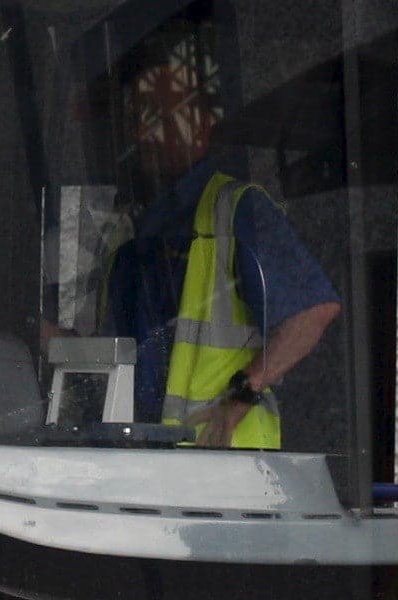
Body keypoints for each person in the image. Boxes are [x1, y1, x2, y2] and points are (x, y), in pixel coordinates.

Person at [97, 30, 341, 447]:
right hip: (145, 467)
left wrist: (243, 392)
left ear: (204, 128)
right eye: (139, 115)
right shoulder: (131, 234)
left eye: (164, 113)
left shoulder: (239, 211)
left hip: (228, 476)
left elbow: (314, 311)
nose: (148, 130)